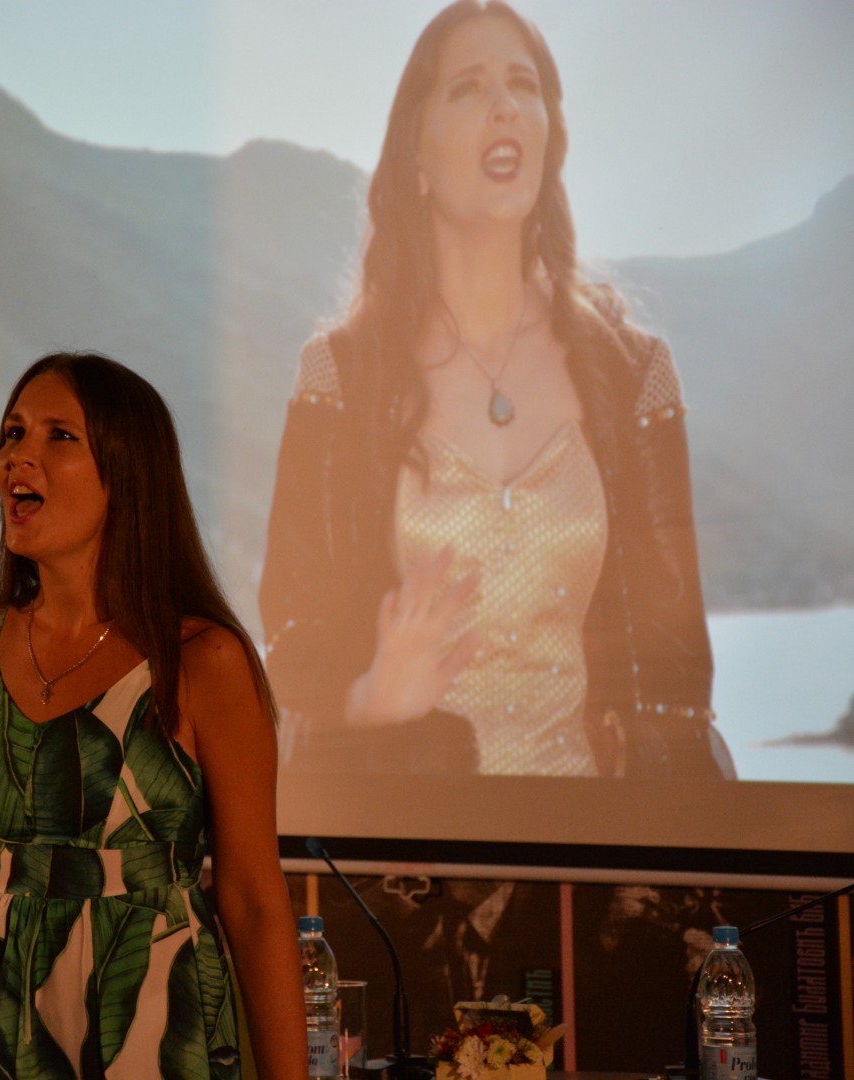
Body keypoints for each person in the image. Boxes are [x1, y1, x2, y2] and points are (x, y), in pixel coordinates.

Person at [260, 0, 728, 779]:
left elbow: (678, 677)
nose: (505, 104)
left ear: (548, 136)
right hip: (408, 845)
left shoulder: (633, 374)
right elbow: (293, 641)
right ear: (417, 152)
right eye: (468, 88)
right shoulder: (338, 378)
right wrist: (369, 696)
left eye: (523, 84)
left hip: (593, 844)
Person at [0, 353, 305, 1079]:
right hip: (0, 1024)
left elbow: (253, 899)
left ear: (127, 476)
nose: (18, 456)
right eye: (13, 432)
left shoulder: (203, 658)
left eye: (59, 436)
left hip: (150, 1025)